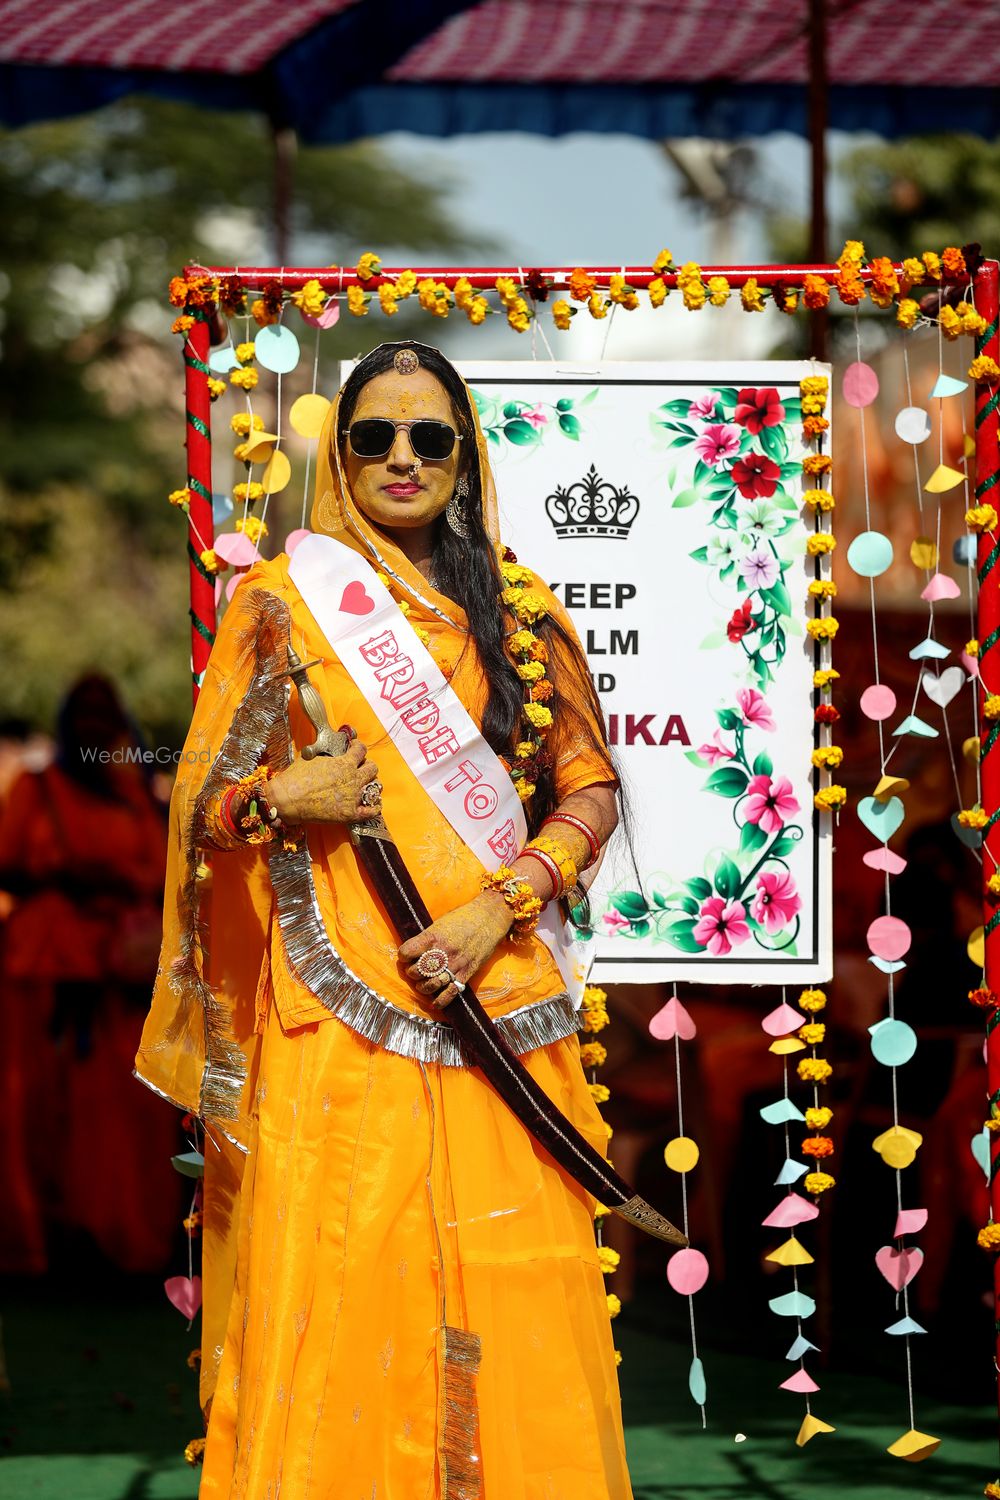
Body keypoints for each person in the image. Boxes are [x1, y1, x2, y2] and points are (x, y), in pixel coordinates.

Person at [137, 341, 631, 1498]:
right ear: (340, 456)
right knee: (353, 1284)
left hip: (494, 999)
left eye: (429, 437)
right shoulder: (278, 602)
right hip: (340, 1015)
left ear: (462, 457)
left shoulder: (513, 607)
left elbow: (590, 786)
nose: (401, 458)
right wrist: (277, 797)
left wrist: (498, 908)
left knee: (506, 1286)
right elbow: (201, 804)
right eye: (374, 436)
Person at [0, 675, 177, 1272]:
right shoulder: (37, 787)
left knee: (120, 1109)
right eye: (89, 716)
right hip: (45, 967)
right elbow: (7, 865)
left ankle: (113, 1239)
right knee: (34, 1104)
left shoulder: (138, 794)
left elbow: (163, 872)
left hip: (120, 970)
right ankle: (40, 1241)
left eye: (108, 717)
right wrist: (71, 880)